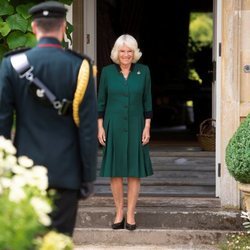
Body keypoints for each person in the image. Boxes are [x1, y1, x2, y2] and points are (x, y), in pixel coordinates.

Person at [0, 1, 98, 236]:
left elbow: (2, 125)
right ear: (63, 27)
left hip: (26, 174)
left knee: (29, 241)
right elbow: (87, 128)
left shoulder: (11, 64)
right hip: (67, 173)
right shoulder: (80, 66)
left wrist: (4, 174)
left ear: (34, 28)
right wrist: (88, 177)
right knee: (60, 241)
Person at [97, 34, 153, 230]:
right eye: (122, 51)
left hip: (137, 124)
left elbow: (148, 101)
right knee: (115, 171)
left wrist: (147, 126)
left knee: (134, 172)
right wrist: (100, 126)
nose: (126, 55)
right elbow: (101, 101)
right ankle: (119, 211)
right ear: (116, 53)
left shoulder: (143, 72)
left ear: (134, 53)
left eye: (130, 51)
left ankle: (130, 214)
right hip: (113, 125)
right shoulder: (107, 72)